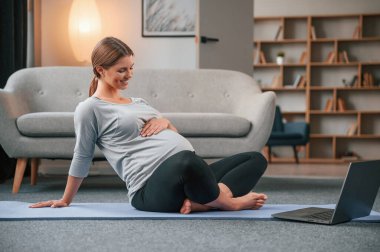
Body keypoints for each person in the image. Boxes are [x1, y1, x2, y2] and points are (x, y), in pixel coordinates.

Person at [30, 37, 268, 214]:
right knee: (187, 161)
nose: (129, 74)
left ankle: (204, 203)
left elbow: (172, 132)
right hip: (151, 190)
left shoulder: (139, 102)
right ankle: (228, 202)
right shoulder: (90, 108)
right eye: (121, 70)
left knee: (255, 159)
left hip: (187, 176)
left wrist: (164, 121)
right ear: (100, 70)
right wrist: (65, 200)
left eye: (131, 67)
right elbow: (82, 155)